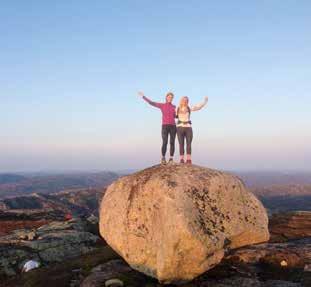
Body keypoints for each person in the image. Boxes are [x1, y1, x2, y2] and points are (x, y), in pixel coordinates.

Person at [138, 91, 176, 164]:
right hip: (165, 126)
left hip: (173, 126)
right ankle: (163, 158)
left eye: (171, 97)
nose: (170, 98)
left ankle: (171, 159)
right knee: (165, 142)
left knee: (172, 142)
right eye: (169, 97)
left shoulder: (174, 107)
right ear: (166, 98)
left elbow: (175, 116)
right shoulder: (162, 105)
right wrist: (143, 96)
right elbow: (151, 103)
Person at [176, 96, 208, 164]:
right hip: (179, 128)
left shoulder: (189, 108)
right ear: (181, 101)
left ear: (187, 101)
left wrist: (204, 102)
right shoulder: (177, 108)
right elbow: (171, 114)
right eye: (184, 100)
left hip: (188, 127)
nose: (185, 101)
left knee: (189, 143)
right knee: (181, 144)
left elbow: (198, 107)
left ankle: (188, 159)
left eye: (186, 100)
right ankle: (181, 159)